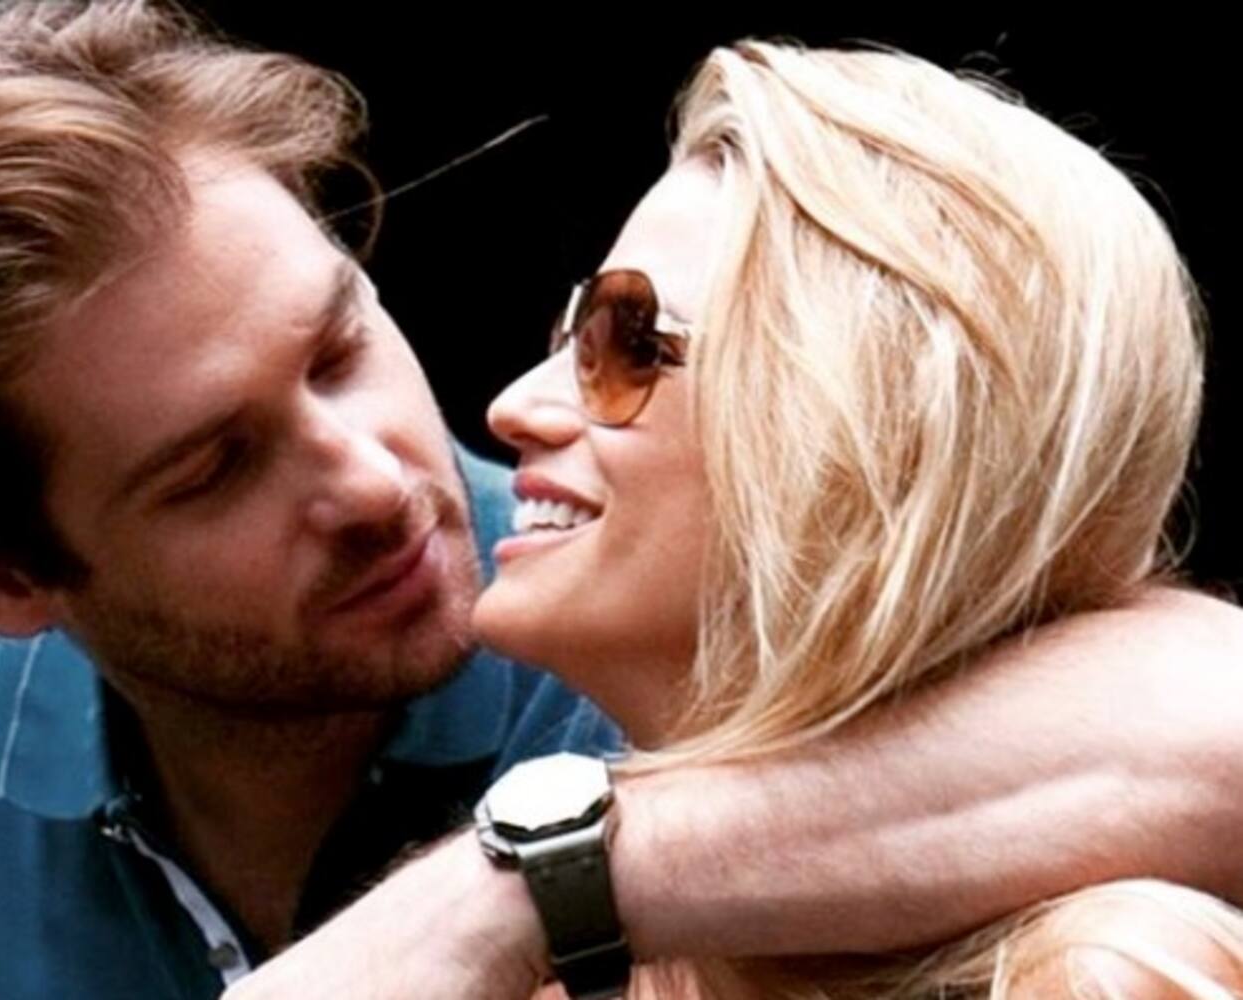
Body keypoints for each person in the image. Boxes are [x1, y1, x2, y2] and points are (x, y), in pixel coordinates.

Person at [0, 4, 1242, 998]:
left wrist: (513, 888)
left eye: (340, 345)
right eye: (213, 467)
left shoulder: (633, 630)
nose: (381, 478)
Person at [228, 39, 1243, 1000]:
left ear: (868, 437)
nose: (512, 408)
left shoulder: (1107, 970)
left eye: (631, 344)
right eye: (570, 336)